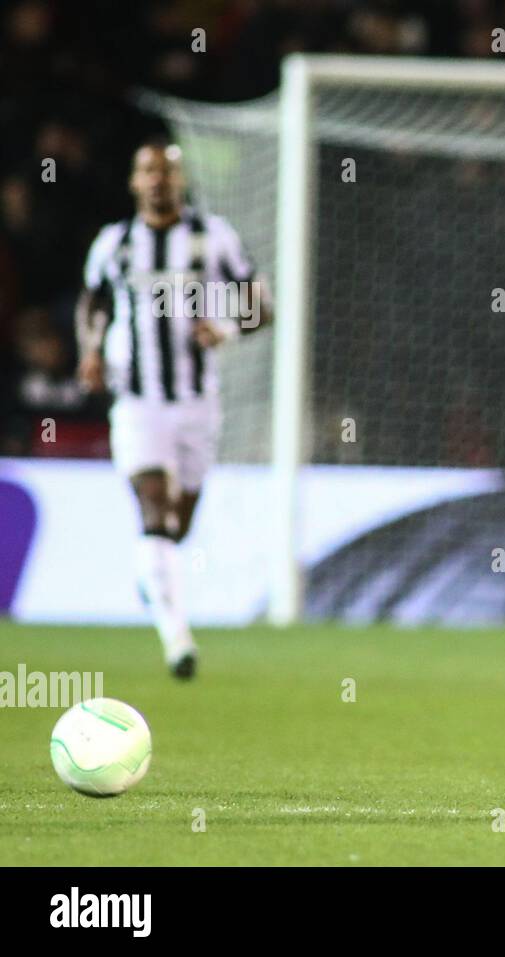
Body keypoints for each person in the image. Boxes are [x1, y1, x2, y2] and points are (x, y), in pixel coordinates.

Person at [75, 140, 272, 678]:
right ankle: (177, 640)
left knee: (176, 526)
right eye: (148, 171)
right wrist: (90, 349)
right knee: (154, 507)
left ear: (181, 181)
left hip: (197, 404)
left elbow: (261, 306)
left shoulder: (214, 238)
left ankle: (154, 579)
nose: (158, 180)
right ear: (134, 182)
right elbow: (93, 302)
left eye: (167, 171)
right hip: (137, 401)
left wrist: (227, 328)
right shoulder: (114, 244)